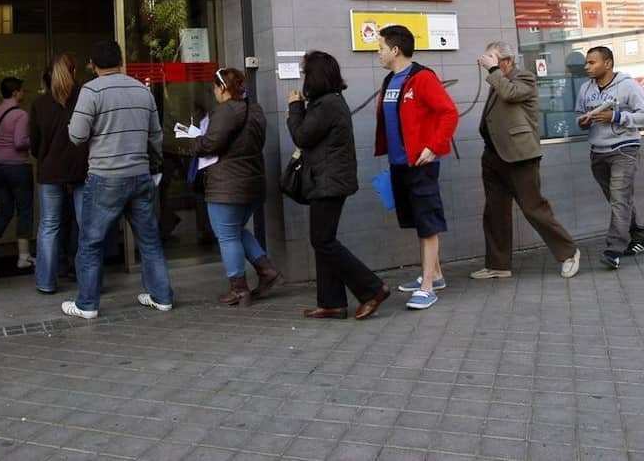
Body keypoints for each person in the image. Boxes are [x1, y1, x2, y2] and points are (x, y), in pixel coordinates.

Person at [62, 40, 173, 318]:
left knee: (91, 242)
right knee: (149, 240)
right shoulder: (141, 89)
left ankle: (87, 304)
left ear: (92, 63)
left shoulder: (91, 90)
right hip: (139, 175)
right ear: (121, 61)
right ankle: (162, 297)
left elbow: (76, 135)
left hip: (105, 177)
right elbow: (156, 135)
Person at [287, 51, 388, 320]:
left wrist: (295, 107)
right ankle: (332, 302)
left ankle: (372, 289)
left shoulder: (327, 105)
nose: (304, 79)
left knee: (322, 240)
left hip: (329, 181)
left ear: (315, 76)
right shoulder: (326, 102)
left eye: (306, 73)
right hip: (327, 180)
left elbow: (302, 136)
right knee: (323, 240)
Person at [472, 41, 581, 281]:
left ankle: (569, 252)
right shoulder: (499, 78)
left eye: (492, 57)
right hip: (493, 155)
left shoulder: (524, 78)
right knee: (495, 211)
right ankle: (498, 264)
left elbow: (510, 94)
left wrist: (493, 71)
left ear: (507, 61)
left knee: (534, 208)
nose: (486, 61)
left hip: (520, 155)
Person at [374, 25, 459, 310]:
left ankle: (426, 288)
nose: (378, 53)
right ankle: (433, 275)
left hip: (421, 163)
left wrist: (433, 146)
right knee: (418, 222)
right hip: (399, 165)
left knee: (427, 223)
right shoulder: (390, 80)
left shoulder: (422, 78)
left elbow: (448, 112)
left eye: (380, 48)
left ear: (395, 49)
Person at [189, 67, 282, 306]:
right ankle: (266, 270)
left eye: (215, 88)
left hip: (227, 186)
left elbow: (211, 144)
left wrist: (195, 141)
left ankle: (239, 289)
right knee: (236, 230)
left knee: (227, 234)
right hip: (254, 183)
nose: (215, 93)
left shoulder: (225, 111)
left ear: (222, 88)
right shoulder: (256, 110)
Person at [576, 46, 644, 270]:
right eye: (586, 62)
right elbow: (577, 115)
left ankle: (614, 249)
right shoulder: (585, 89)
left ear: (608, 63)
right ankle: (641, 237)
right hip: (597, 152)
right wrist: (583, 121)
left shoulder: (628, 85)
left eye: (592, 62)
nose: (587, 67)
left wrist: (616, 116)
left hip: (624, 149)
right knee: (618, 199)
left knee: (620, 200)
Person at [30, 56, 89, 294]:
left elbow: (34, 144)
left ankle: (45, 281)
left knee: (48, 226)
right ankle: (87, 279)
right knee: (86, 224)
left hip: (50, 170)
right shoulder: (84, 99)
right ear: (73, 71)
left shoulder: (40, 104)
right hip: (81, 168)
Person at [0, 76, 35, 269]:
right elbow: (20, 142)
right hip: (16, 167)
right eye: (22, 90)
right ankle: (23, 256)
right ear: (15, 93)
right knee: (24, 210)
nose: (23, 93)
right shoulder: (21, 115)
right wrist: (34, 140)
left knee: (4, 210)